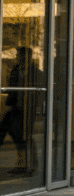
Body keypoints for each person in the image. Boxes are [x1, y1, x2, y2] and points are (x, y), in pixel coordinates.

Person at [1, 47, 42, 175]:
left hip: (27, 108)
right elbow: (11, 87)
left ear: (28, 57)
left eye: (21, 55)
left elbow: (39, 92)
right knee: (16, 135)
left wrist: (35, 106)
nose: (18, 57)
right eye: (18, 55)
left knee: (25, 137)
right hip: (15, 107)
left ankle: (30, 165)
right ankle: (22, 164)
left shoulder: (35, 72)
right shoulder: (15, 70)